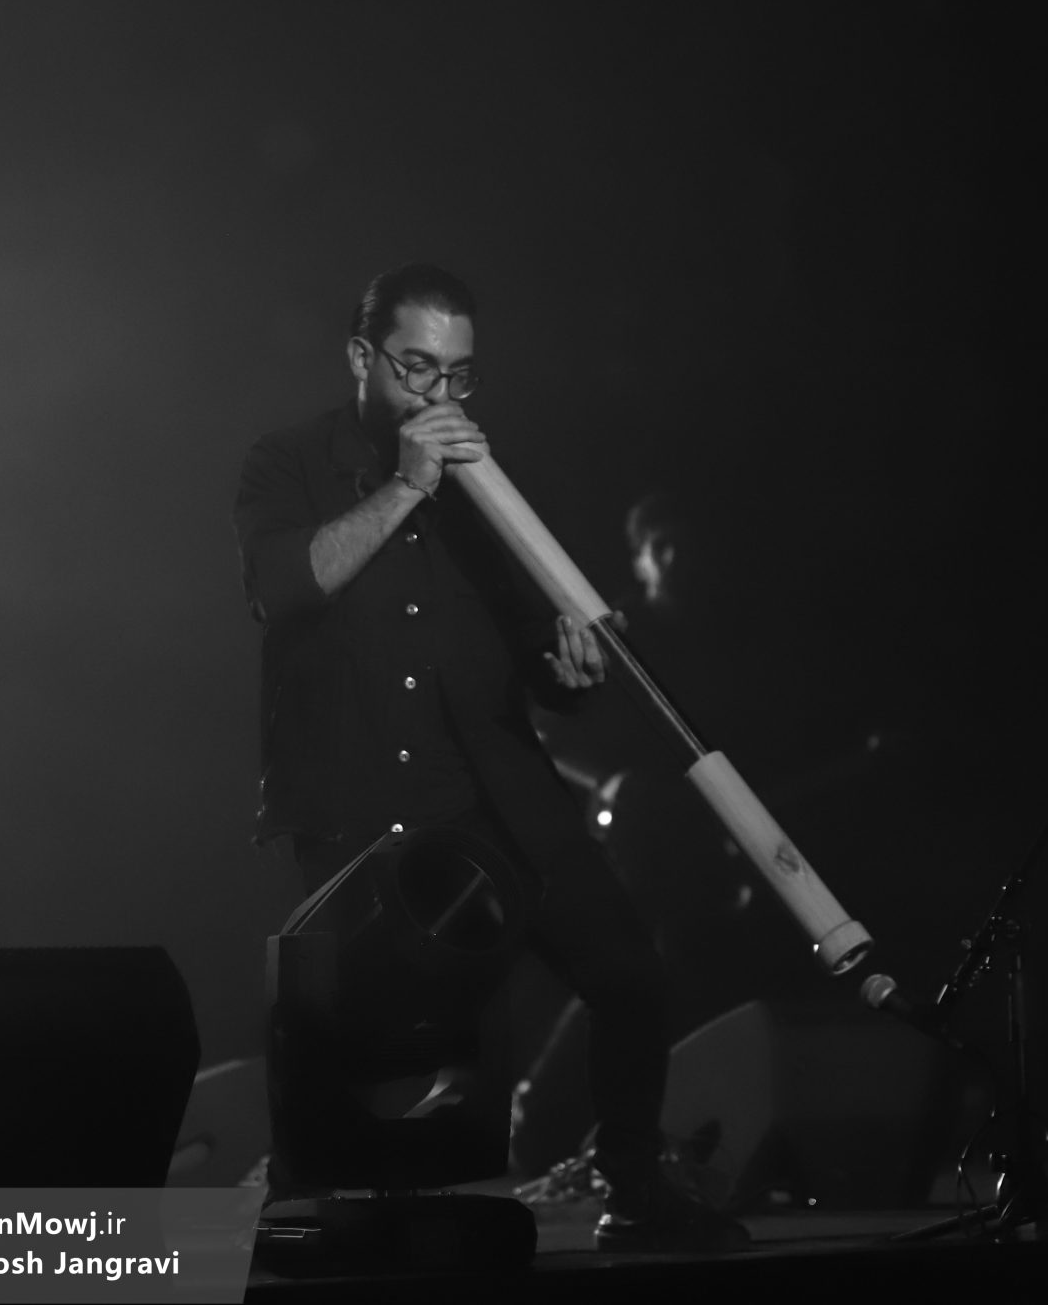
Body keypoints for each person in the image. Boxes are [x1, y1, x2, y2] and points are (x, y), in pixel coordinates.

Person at [233, 263, 743, 1253]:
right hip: (358, 799)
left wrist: (567, 666)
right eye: (418, 368)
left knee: (628, 972)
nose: (440, 393)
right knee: (348, 1030)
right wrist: (405, 485)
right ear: (362, 357)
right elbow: (285, 586)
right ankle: (311, 1207)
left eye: (459, 374)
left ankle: (634, 1187)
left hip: (494, 794)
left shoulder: (492, 484)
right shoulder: (286, 461)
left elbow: (536, 654)